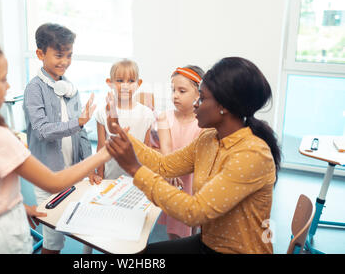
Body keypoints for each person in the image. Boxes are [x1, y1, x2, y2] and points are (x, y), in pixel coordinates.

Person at [0, 34, 110, 254]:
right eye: (2, 79)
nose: (8, 86)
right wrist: (103, 155)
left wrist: (18, 208)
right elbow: (53, 183)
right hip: (1, 239)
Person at [104, 57, 281, 254]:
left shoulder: (252, 154)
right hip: (209, 243)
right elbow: (164, 165)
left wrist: (134, 169)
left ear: (224, 106)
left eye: (202, 98)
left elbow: (194, 212)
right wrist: (120, 131)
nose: (196, 104)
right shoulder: (209, 138)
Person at [23, 23, 95, 254]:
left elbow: (82, 133)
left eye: (69, 55)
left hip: (72, 171)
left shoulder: (69, 88)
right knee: (53, 242)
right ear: (40, 54)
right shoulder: (34, 89)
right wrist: (79, 122)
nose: (65, 61)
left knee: (81, 226)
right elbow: (42, 130)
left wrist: (89, 165)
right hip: (47, 174)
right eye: (59, 55)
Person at [156, 65, 204, 240]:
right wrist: (172, 170)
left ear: (199, 94)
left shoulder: (203, 123)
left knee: (194, 230)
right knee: (175, 232)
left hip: (195, 180)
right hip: (174, 180)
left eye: (182, 91)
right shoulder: (164, 117)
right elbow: (166, 149)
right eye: (173, 90)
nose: (175, 95)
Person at [89, 59, 154, 182]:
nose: (125, 85)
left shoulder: (147, 114)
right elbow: (101, 147)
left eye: (130, 81)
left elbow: (147, 149)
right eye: (119, 81)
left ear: (138, 83)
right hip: (110, 177)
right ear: (110, 83)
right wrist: (100, 174)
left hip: (137, 179)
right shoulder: (102, 112)